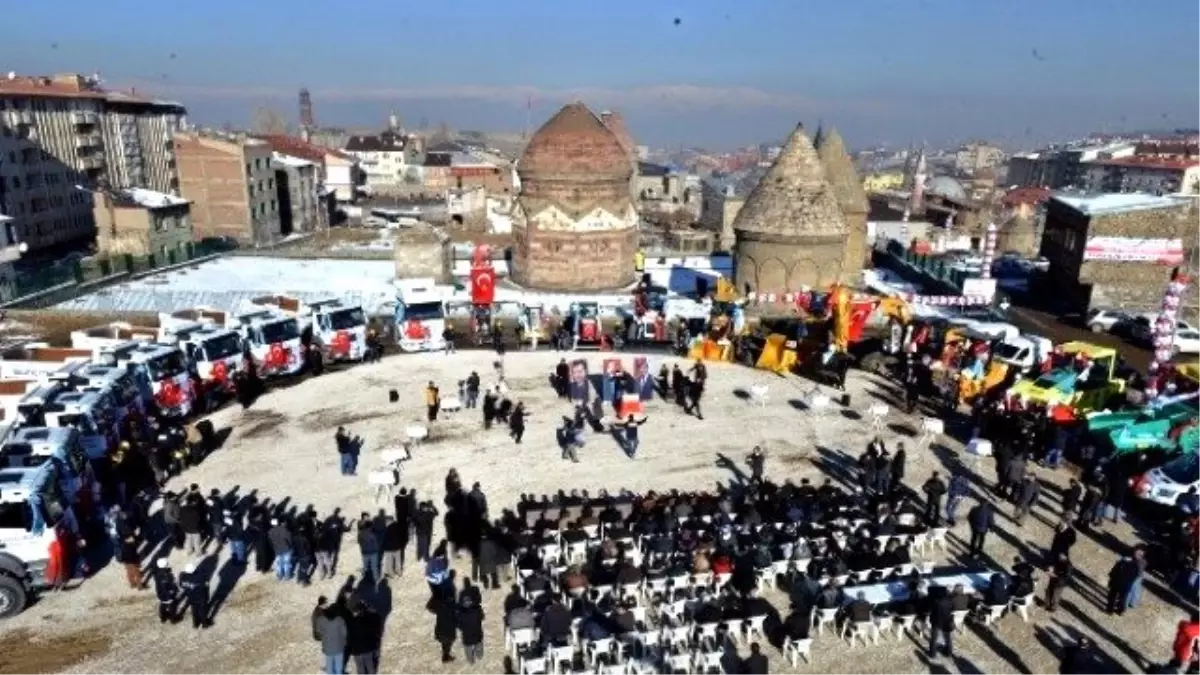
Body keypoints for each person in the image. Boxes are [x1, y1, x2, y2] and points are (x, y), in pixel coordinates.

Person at [318, 604, 349, 675]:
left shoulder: (321, 620)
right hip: (339, 647)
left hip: (328, 647)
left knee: (330, 667)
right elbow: (344, 633)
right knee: (338, 667)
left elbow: (319, 631)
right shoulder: (340, 620)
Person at [180, 562, 210, 629]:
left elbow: (181, 585)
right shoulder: (200, 577)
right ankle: (204, 624)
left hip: (191, 597)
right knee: (202, 611)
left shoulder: (182, 576)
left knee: (194, 611)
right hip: (201, 597)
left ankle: (195, 624)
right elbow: (205, 586)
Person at [458, 593, 486, 664]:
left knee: (468, 650)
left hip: (467, 637)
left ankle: (471, 660)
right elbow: (483, 617)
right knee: (479, 646)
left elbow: (459, 626)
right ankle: (480, 656)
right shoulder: (477, 610)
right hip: (478, 634)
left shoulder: (460, 614)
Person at [927, 588, 955, 658]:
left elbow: (931, 609)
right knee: (948, 638)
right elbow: (952, 609)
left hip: (937, 622)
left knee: (934, 638)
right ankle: (949, 652)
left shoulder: (936, 602)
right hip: (947, 621)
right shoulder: (949, 601)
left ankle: (932, 654)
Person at [152, 558, 179, 624]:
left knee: (162, 605)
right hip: (167, 595)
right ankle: (173, 619)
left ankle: (163, 618)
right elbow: (170, 586)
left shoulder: (156, 573)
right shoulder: (167, 576)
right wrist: (173, 591)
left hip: (160, 593)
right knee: (172, 607)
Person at [435, 590, 459, 663]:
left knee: (444, 641)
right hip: (448, 628)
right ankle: (446, 656)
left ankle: (445, 654)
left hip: (441, 627)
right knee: (448, 641)